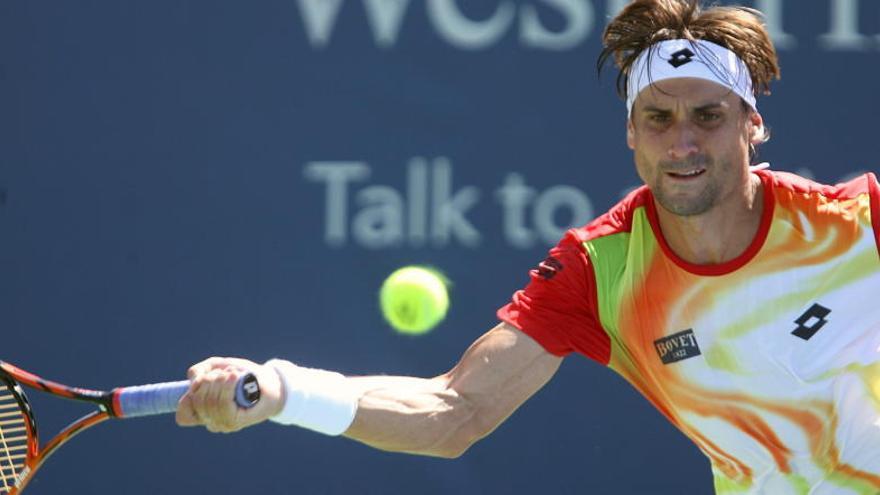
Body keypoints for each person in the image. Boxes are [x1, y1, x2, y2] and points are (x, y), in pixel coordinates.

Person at [176, 0, 880, 493]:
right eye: (658, 118)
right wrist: (283, 390)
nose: (683, 140)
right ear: (632, 134)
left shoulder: (856, 222)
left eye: (708, 115)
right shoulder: (600, 269)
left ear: (751, 125)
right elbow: (455, 411)